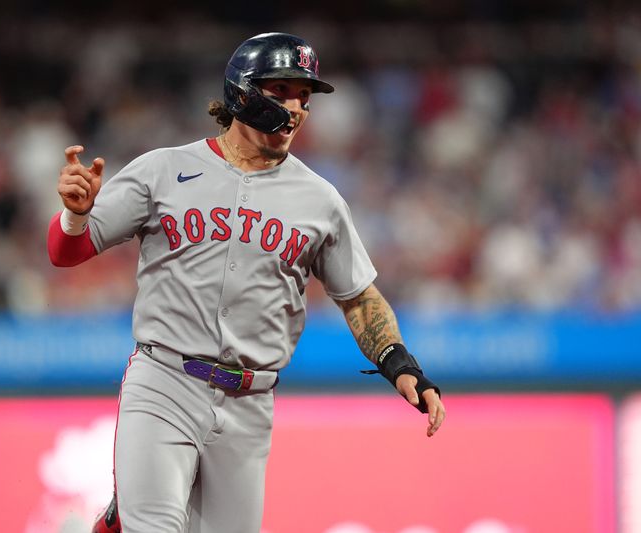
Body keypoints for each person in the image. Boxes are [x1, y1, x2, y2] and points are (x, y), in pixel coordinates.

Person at [47, 32, 446, 533]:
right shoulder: (166, 169)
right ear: (242, 92)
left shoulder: (319, 200)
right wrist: (76, 216)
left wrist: (399, 363)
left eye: (304, 96)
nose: (297, 108)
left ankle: (119, 519)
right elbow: (67, 252)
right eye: (281, 92)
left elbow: (358, 297)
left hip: (250, 403)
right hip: (165, 379)